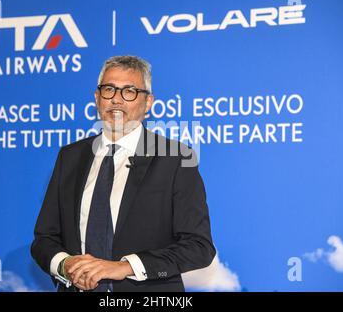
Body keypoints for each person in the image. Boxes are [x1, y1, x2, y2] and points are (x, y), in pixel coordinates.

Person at [31, 55, 215, 292]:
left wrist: (125, 267)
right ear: (97, 98)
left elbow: (199, 247)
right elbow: (44, 239)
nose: (116, 100)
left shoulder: (176, 159)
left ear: (148, 102)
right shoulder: (70, 157)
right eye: (109, 90)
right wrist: (66, 265)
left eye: (129, 91)